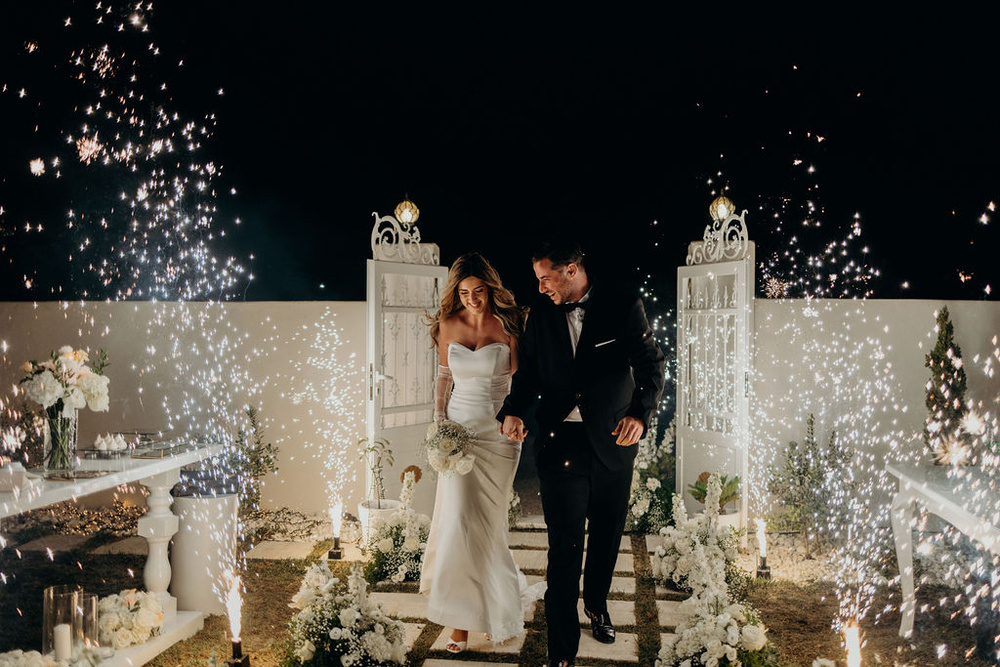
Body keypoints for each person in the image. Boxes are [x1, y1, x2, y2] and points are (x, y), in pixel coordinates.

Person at [498, 239, 665, 667]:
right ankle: (562, 652)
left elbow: (650, 364)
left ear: (571, 270)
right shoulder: (540, 318)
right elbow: (529, 373)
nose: (540, 288)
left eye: (545, 278)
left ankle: (597, 604)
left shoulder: (623, 304)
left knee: (607, 536)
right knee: (564, 546)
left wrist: (640, 416)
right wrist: (515, 411)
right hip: (561, 446)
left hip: (613, 442)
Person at [419, 252, 531, 653]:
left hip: (499, 433)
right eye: (464, 292)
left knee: (490, 524)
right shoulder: (448, 326)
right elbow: (445, 376)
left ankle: (494, 608)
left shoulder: (509, 325)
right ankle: (460, 623)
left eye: (478, 291)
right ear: (457, 293)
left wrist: (517, 416)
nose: (472, 299)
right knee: (460, 522)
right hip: (458, 433)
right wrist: (438, 423)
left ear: (490, 289)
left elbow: (523, 378)